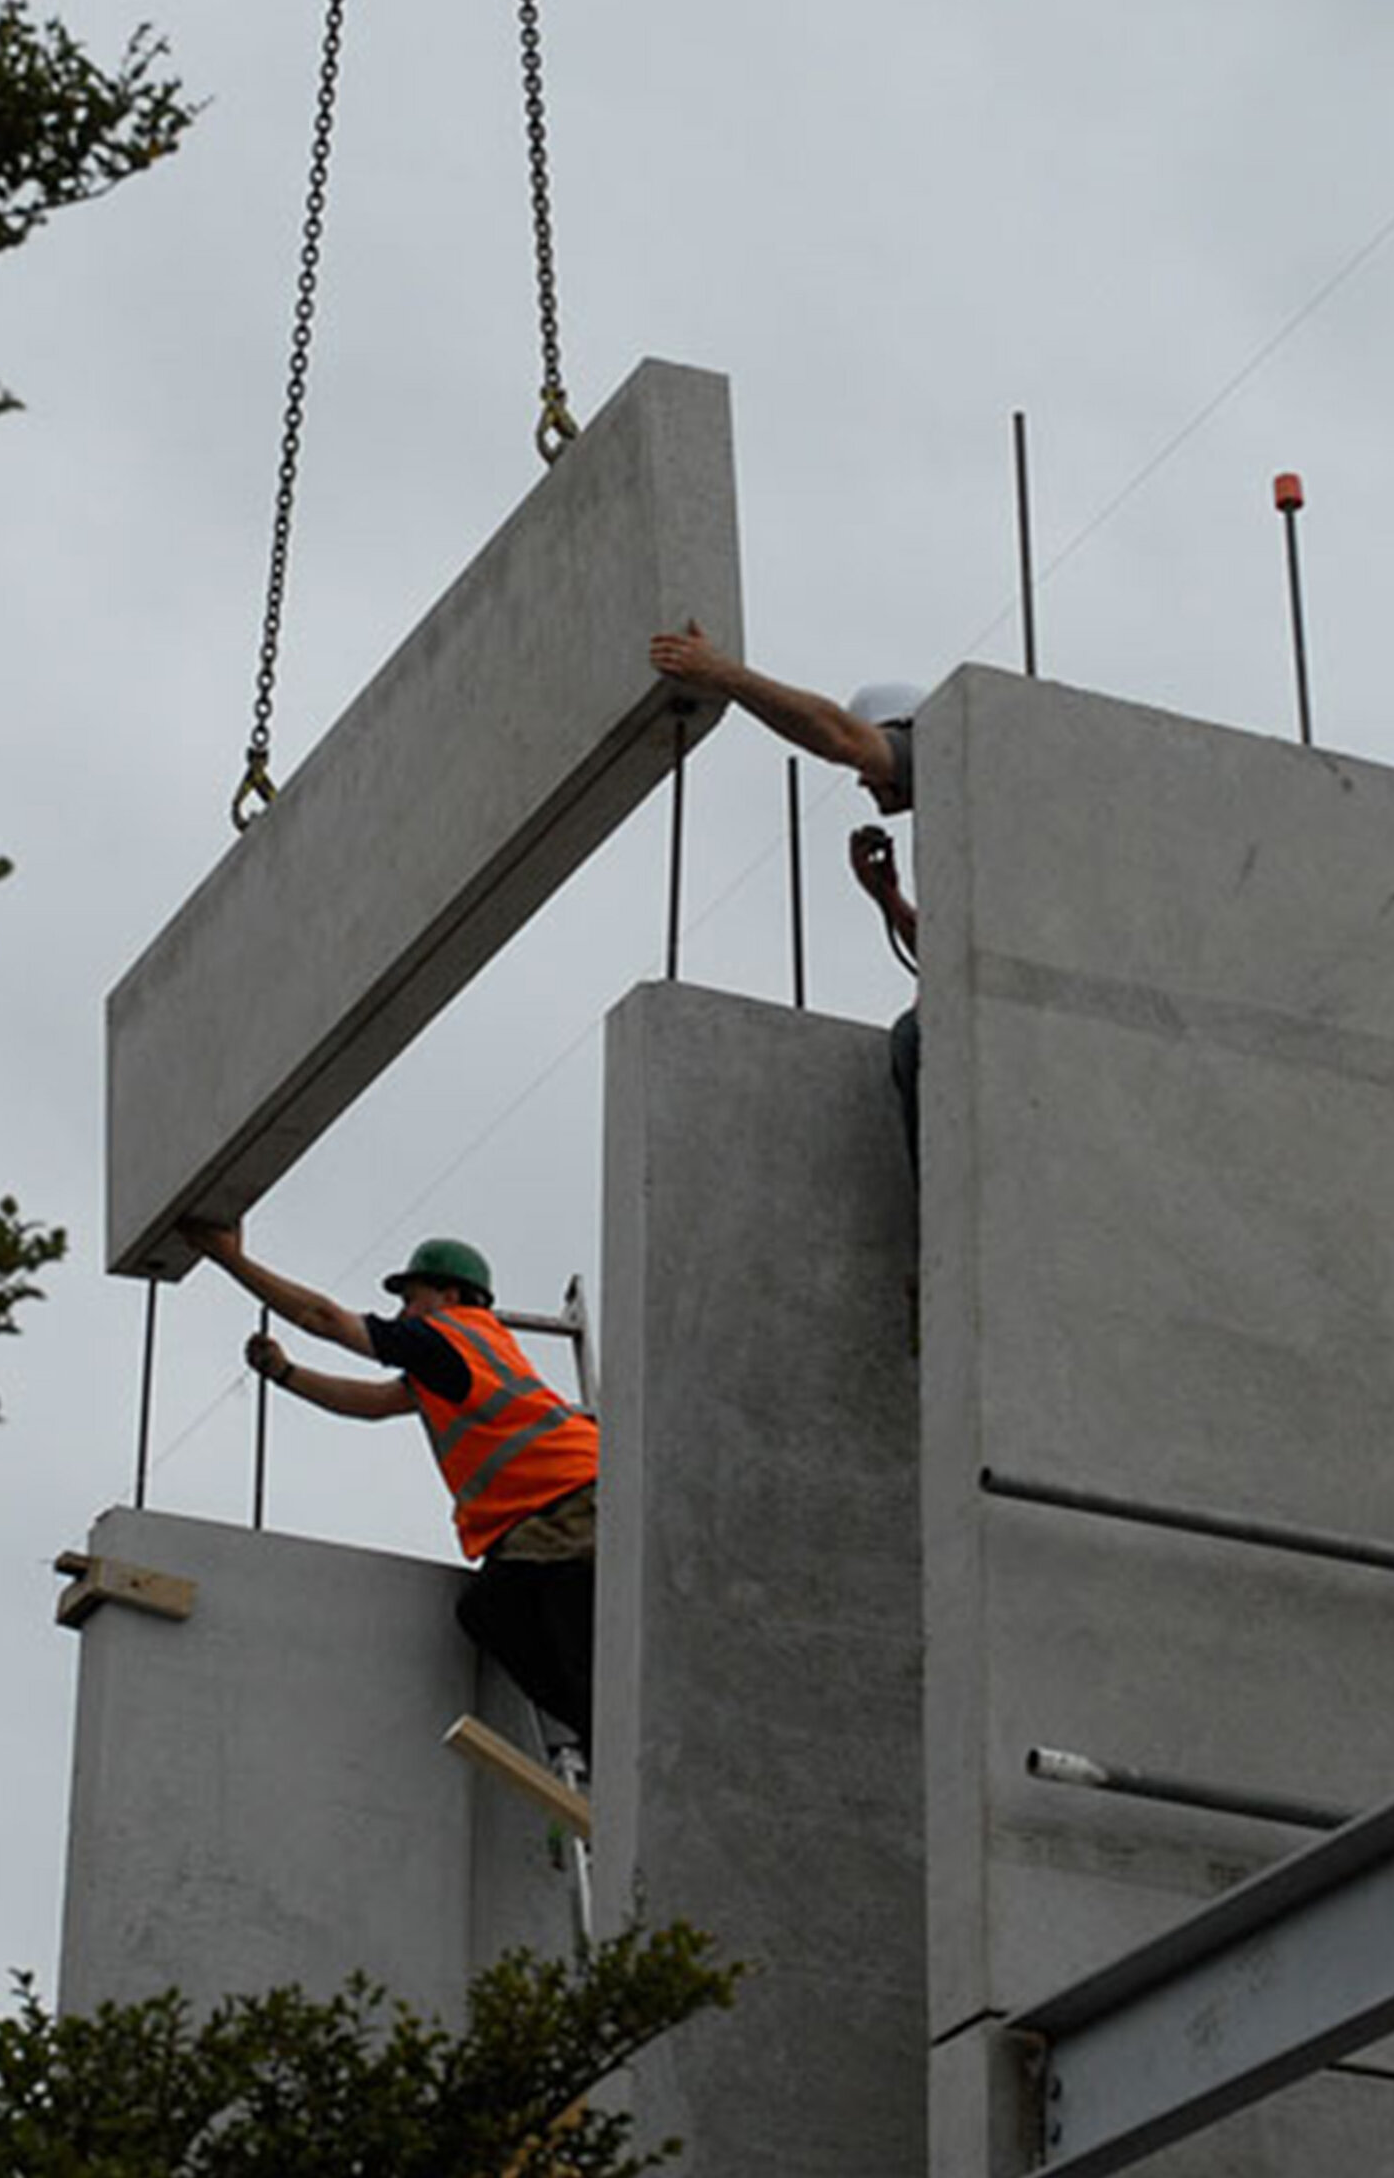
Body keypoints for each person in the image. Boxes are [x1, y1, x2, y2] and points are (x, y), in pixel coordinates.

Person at [182, 1218, 600, 1756]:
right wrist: (287, 1373)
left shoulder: (449, 1339)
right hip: (545, 1515)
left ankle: (608, 1743)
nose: (403, 1312)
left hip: (569, 1506)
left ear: (451, 1296)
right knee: (490, 1612)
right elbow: (372, 1404)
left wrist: (231, 1260)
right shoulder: (464, 1352)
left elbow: (324, 1318)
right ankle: (597, 1736)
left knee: (575, 1647)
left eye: (412, 1297)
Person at [650, 623, 927, 1157]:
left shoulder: (931, 751)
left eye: (874, 765)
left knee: (917, 1037)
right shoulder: (951, 830)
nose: (864, 780)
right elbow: (947, 961)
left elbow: (842, 739)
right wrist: (887, 897)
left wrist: (723, 674)